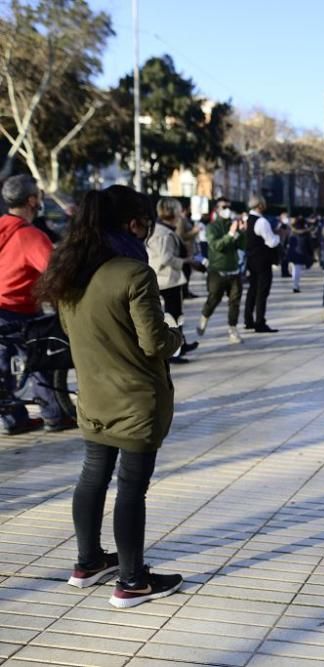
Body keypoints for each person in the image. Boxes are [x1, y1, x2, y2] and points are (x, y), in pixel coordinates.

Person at [35, 185, 184, 608]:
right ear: (133, 224)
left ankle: (87, 563)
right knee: (131, 488)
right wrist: (176, 335)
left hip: (93, 396)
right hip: (136, 400)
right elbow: (154, 342)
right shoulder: (134, 274)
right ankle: (132, 581)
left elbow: (70, 332)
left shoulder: (70, 270)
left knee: (93, 476)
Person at [0, 174, 74, 435]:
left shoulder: (2, 227)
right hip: (18, 309)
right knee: (41, 360)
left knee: (2, 368)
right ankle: (53, 415)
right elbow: (55, 274)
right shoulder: (30, 236)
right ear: (32, 200)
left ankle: (13, 420)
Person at [147, 197, 198, 364]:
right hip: (167, 279)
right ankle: (174, 351)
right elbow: (165, 258)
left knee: (176, 315)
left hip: (167, 278)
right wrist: (185, 261)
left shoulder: (162, 229)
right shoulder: (163, 233)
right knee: (173, 316)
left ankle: (180, 345)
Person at [197, 198, 246, 345]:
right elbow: (216, 246)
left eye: (229, 207)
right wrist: (230, 234)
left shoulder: (233, 225)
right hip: (217, 271)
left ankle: (232, 329)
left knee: (235, 302)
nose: (228, 209)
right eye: (224, 207)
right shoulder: (212, 227)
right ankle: (204, 317)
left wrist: (242, 232)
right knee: (214, 299)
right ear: (217, 210)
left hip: (234, 270)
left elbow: (243, 246)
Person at [243, 195, 280, 333]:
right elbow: (271, 242)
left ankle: (248, 320)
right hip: (262, 261)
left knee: (252, 290)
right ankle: (260, 322)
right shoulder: (261, 222)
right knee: (262, 292)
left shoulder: (248, 219)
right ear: (260, 205)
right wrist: (278, 237)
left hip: (252, 259)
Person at [286, 216, 313, 293]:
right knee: (297, 270)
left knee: (295, 269)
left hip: (293, 252)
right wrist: (311, 253)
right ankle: (295, 285)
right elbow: (309, 244)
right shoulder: (306, 233)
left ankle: (295, 285)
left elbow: (288, 242)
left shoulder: (292, 231)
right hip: (301, 253)